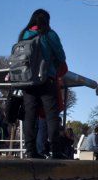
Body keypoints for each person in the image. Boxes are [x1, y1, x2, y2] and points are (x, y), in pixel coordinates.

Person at [18, 9, 67, 159]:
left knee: (30, 116)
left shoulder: (24, 34)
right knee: (51, 115)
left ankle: (30, 151)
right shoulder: (49, 34)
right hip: (46, 78)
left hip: (27, 80)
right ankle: (55, 150)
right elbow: (61, 56)